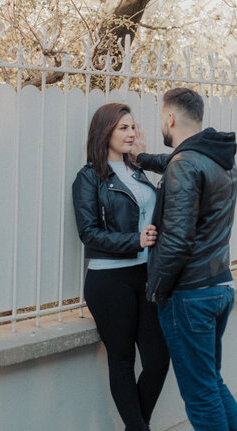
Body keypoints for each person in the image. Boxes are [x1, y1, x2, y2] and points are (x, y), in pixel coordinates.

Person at [133, 87, 237, 431]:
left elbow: (177, 240)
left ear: (170, 118)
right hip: (219, 287)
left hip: (190, 295)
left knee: (200, 396)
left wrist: (155, 290)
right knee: (212, 383)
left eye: (161, 118)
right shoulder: (217, 157)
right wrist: (142, 158)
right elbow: (176, 164)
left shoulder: (185, 165)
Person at [72, 103, 170, 431]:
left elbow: (180, 167)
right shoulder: (89, 178)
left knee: (157, 360)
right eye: (123, 128)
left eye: (133, 127)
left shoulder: (140, 172)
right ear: (105, 133)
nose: (131, 133)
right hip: (108, 278)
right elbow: (88, 233)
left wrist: (143, 156)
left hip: (146, 276)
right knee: (123, 358)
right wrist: (134, 241)